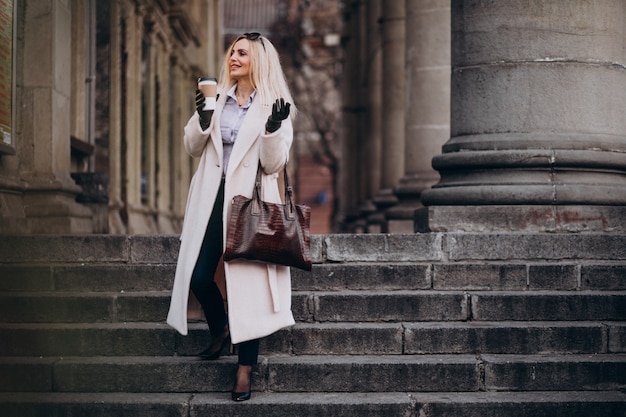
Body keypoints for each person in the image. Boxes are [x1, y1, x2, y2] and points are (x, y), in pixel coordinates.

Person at [166, 32, 297, 402]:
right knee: (199, 275)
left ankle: (244, 370)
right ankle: (220, 327)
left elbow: (273, 165)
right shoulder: (217, 99)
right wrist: (202, 116)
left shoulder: (275, 104)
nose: (233, 58)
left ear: (258, 60)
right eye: (232, 52)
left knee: (249, 289)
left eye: (242, 53)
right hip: (211, 196)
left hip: (250, 202)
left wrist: (272, 130)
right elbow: (193, 148)